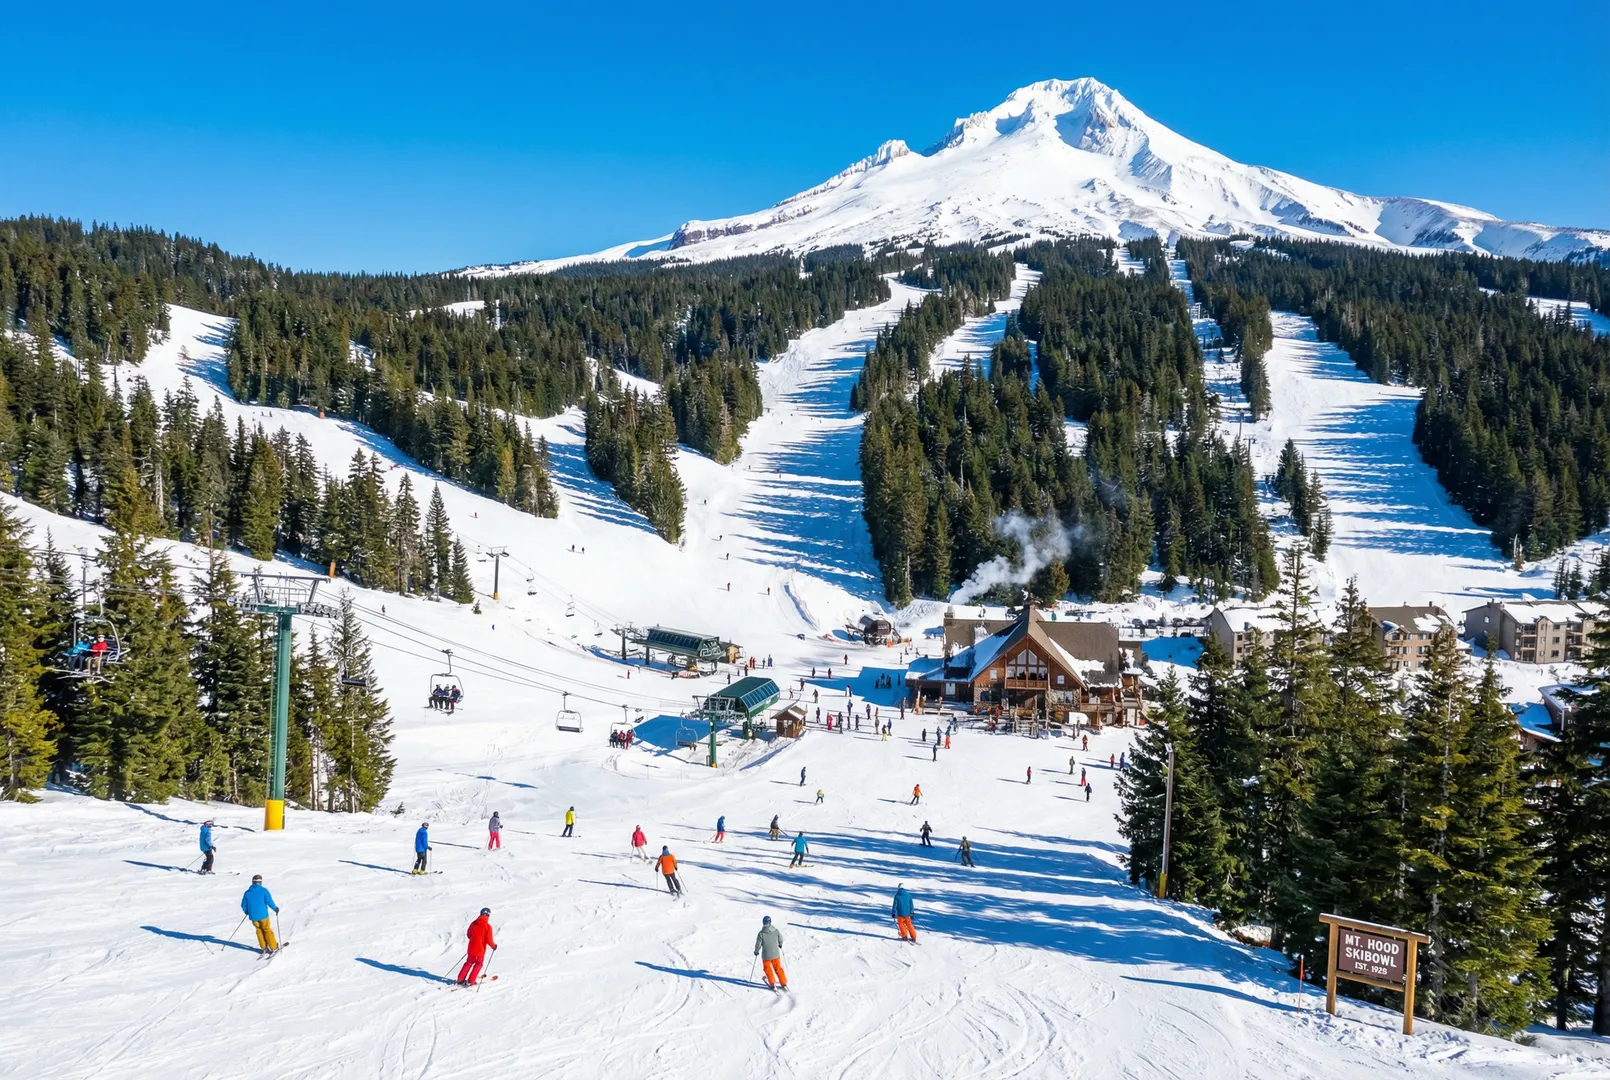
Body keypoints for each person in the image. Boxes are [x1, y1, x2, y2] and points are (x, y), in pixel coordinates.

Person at [241, 874, 280, 955]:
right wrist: (275, 908)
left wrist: (247, 911)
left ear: (252, 882)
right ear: (260, 882)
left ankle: (264, 948)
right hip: (263, 916)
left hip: (253, 917)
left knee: (259, 931)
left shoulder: (247, 893)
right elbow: (269, 901)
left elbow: (243, 905)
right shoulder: (264, 891)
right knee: (267, 930)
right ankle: (273, 947)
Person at [457, 907, 497, 986]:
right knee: (478, 964)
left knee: (469, 962)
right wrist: (494, 946)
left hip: (471, 948)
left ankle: (460, 979)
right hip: (480, 950)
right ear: (488, 915)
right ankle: (471, 981)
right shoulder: (488, 926)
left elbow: (469, 935)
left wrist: (474, 940)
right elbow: (489, 940)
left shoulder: (473, 923)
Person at [754, 916, 787, 991]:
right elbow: (781, 938)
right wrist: (780, 944)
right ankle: (783, 983)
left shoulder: (761, 934)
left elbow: (758, 944)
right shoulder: (776, 931)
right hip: (776, 955)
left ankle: (772, 983)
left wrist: (756, 951)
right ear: (770, 922)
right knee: (778, 968)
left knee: (767, 969)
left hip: (766, 956)